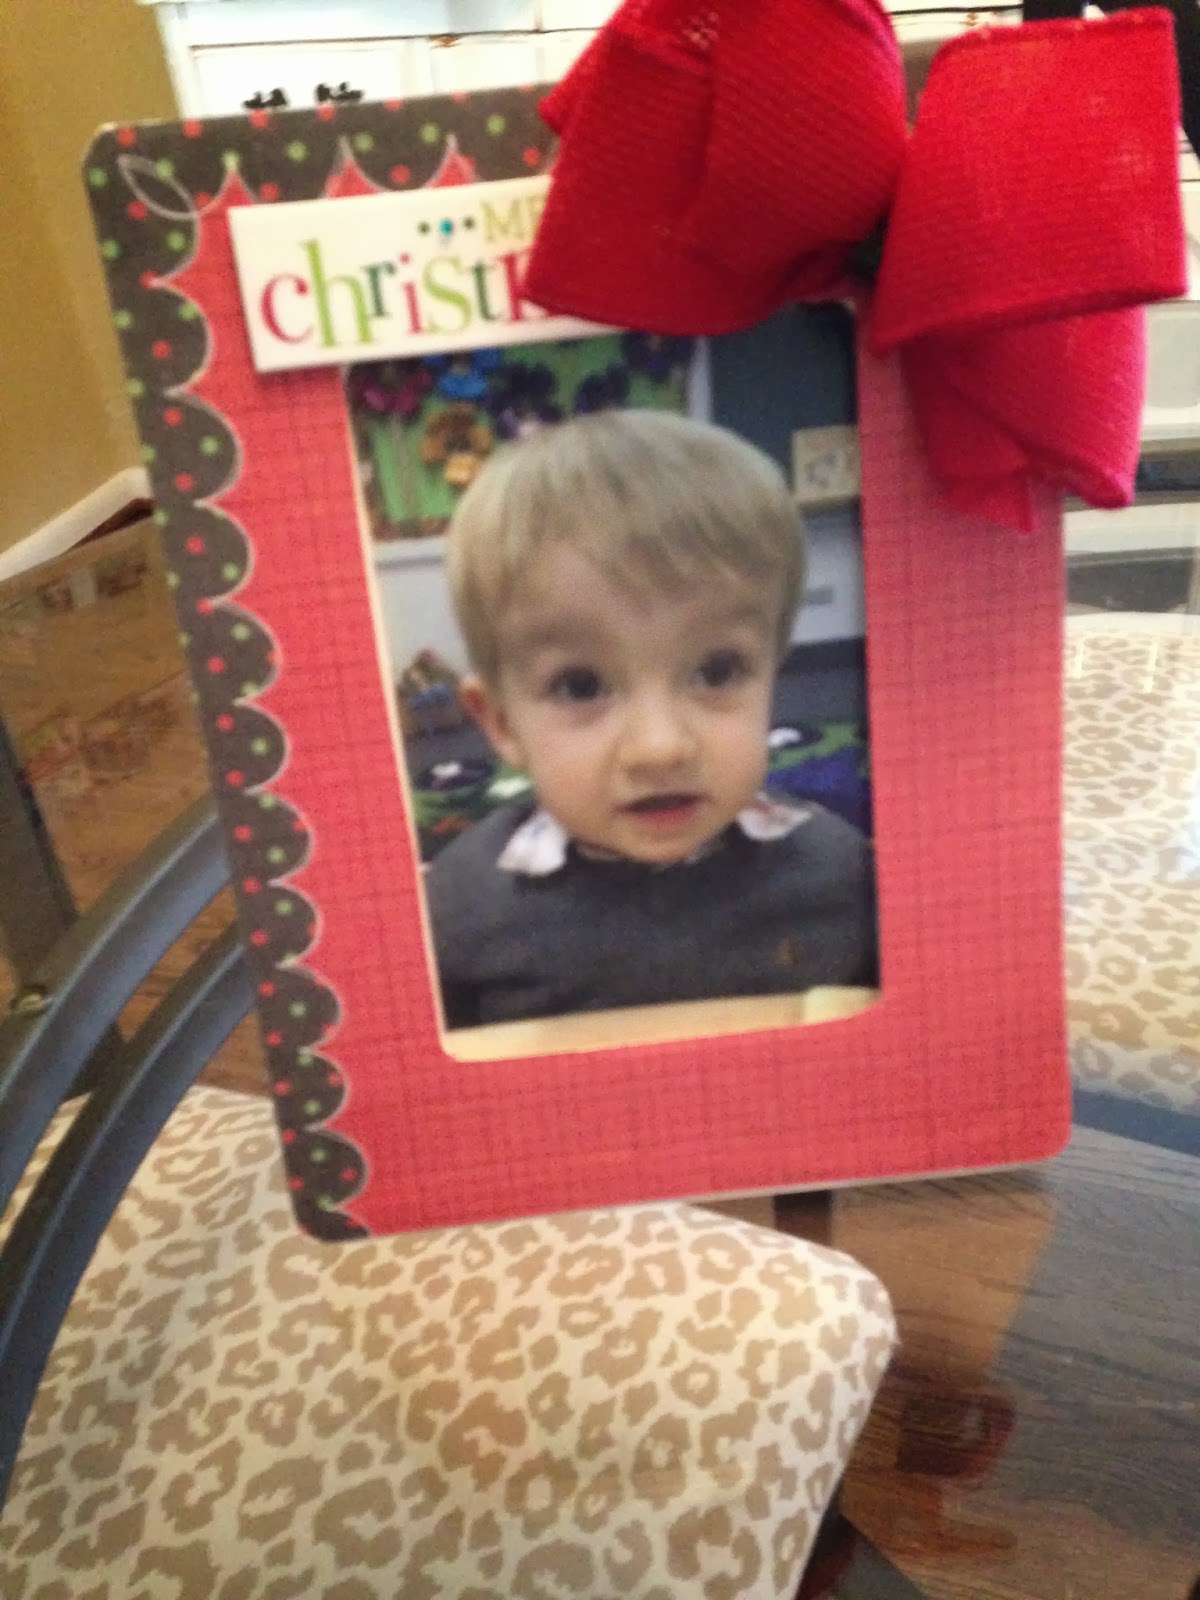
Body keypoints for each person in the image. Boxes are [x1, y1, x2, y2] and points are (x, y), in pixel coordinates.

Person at [424, 409, 877, 1029]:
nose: (660, 748)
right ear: (501, 724)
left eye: (717, 671)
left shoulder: (840, 875)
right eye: (581, 685)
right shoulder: (458, 906)